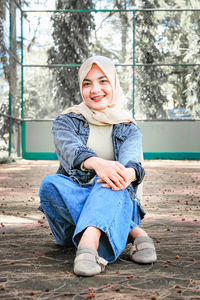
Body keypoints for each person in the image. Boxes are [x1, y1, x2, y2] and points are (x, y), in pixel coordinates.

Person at [39, 55, 157, 277]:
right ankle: (134, 232)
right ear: (81, 86)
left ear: (113, 83)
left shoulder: (129, 127)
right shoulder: (67, 120)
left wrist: (126, 173)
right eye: (87, 83)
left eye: (103, 81)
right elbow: (70, 150)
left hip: (114, 193)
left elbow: (132, 165)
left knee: (113, 180)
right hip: (72, 218)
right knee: (50, 185)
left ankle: (88, 246)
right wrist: (98, 164)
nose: (95, 90)